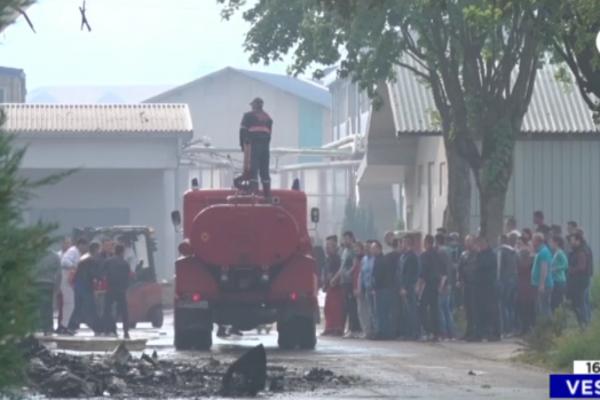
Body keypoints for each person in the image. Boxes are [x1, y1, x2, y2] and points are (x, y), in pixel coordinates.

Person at [235, 97, 273, 200]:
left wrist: (242, 145)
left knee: (253, 169)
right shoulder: (268, 118)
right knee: (264, 171)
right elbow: (270, 135)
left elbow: (242, 131)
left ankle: (253, 191)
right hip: (265, 146)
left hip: (254, 144)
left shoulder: (248, 116)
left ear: (254, 105)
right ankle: (267, 194)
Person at [68, 242, 101, 333]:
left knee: (78, 307)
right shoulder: (91, 259)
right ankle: (97, 328)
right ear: (96, 249)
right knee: (91, 307)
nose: (99, 251)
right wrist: (100, 278)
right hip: (85, 286)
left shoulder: (83, 257)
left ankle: (71, 326)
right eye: (99, 249)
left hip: (78, 285)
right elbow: (93, 273)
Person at [417, 234, 445, 341]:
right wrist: (442, 284)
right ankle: (436, 332)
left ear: (427, 243)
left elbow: (423, 272)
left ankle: (428, 329)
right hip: (436, 283)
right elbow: (443, 270)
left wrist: (419, 286)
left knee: (422, 307)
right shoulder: (438, 254)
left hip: (428, 283)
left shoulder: (424, 256)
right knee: (435, 308)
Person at [58, 238, 88, 335]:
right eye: (85, 246)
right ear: (81, 245)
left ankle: (63, 326)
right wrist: (74, 267)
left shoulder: (76, 252)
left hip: (69, 281)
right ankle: (63, 326)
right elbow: (64, 261)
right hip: (66, 280)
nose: (85, 248)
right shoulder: (73, 251)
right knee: (70, 304)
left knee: (69, 304)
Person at [101, 244, 132, 339]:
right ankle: (126, 332)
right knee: (124, 312)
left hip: (110, 289)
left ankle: (107, 330)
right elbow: (128, 278)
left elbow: (102, 273)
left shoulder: (108, 261)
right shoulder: (125, 263)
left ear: (115, 251)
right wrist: (126, 288)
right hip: (121, 290)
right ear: (122, 252)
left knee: (107, 310)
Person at [475, 236, 501, 341]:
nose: (480, 247)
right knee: (481, 310)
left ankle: (494, 332)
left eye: (482, 244)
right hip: (480, 286)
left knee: (492, 310)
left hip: (490, 286)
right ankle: (482, 332)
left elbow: (483, 266)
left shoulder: (491, 255)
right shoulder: (480, 255)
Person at [33, 249, 61, 335]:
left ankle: (37, 327)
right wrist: (57, 286)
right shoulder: (55, 256)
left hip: (36, 283)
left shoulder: (35, 254)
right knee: (48, 307)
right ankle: (48, 328)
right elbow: (59, 273)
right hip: (49, 284)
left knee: (36, 307)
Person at [398, 235, 420, 340]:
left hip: (409, 287)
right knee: (406, 311)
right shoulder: (404, 256)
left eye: (403, 243)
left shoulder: (411, 256)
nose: (401, 245)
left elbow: (409, 274)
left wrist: (404, 287)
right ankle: (407, 332)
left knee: (411, 310)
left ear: (407, 243)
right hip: (404, 286)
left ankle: (413, 333)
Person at [372, 240, 395, 339]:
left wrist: (375, 287)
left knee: (382, 312)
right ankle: (383, 331)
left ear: (379, 249)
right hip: (383, 288)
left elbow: (379, 276)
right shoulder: (379, 259)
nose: (372, 251)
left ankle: (383, 332)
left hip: (382, 288)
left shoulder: (381, 260)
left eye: (374, 248)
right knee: (382, 312)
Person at [322, 236, 345, 336]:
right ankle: (329, 327)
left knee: (336, 308)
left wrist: (334, 279)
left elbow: (341, 270)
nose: (327, 248)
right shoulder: (328, 259)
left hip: (337, 286)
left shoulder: (338, 258)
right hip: (329, 286)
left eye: (329, 246)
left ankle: (337, 328)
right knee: (328, 308)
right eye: (326, 246)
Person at [457, 235, 478, 341]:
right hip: (466, 285)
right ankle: (468, 331)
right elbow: (460, 268)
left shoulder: (477, 254)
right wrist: (459, 280)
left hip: (474, 285)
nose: (467, 243)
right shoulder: (463, 255)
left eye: (469, 241)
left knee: (474, 308)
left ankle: (474, 332)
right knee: (467, 309)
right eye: (466, 241)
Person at [338, 231, 359, 337]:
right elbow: (341, 267)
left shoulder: (353, 250)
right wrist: (336, 277)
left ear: (351, 239)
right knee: (346, 306)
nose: (345, 241)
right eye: (344, 238)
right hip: (343, 282)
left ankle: (353, 328)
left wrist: (349, 273)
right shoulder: (344, 251)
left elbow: (355, 264)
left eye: (347, 238)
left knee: (352, 306)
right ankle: (348, 328)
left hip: (350, 282)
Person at [498, 233, 518, 336]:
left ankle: (505, 328)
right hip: (513, 280)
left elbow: (499, 267)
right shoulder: (514, 252)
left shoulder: (502, 251)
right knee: (510, 306)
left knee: (503, 305)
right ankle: (512, 328)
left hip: (504, 280)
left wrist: (498, 279)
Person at [435, 233, 455, 340]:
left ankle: (444, 332)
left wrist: (441, 285)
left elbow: (443, 271)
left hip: (443, 283)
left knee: (441, 309)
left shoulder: (440, 252)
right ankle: (451, 333)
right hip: (449, 283)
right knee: (447, 309)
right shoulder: (449, 251)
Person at [568, 231, 589, 327]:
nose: (571, 242)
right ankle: (580, 324)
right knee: (576, 303)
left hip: (580, 282)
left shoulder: (581, 251)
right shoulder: (575, 251)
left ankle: (583, 324)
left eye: (572, 240)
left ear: (578, 241)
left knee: (580, 303)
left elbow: (582, 267)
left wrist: (571, 270)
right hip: (576, 282)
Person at [515, 237, 536, 335]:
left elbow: (524, 267)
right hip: (522, 286)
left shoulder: (531, 259)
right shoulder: (521, 259)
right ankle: (524, 328)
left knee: (528, 308)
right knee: (522, 308)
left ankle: (528, 329)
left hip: (528, 286)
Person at [531, 232, 553, 320]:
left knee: (543, 308)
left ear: (537, 241)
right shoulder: (540, 251)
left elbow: (544, 269)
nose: (532, 242)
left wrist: (542, 284)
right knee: (540, 307)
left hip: (544, 285)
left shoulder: (544, 252)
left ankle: (547, 328)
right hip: (538, 284)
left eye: (533, 240)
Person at [384, 238, 403, 338]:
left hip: (389, 285)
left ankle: (391, 331)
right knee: (398, 309)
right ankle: (397, 331)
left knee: (391, 309)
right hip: (397, 286)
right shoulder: (400, 257)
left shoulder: (387, 257)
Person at [357, 240, 376, 339]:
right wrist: (359, 287)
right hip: (364, 288)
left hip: (372, 288)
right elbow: (361, 274)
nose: (367, 249)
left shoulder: (375, 259)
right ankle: (366, 330)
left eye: (369, 247)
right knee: (363, 310)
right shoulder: (364, 259)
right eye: (365, 248)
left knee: (372, 310)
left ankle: (373, 331)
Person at [349, 241, 365, 338]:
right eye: (355, 248)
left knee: (362, 309)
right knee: (357, 310)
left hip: (360, 286)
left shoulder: (363, 259)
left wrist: (359, 288)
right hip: (354, 285)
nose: (356, 250)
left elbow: (361, 274)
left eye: (357, 248)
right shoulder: (355, 259)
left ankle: (363, 329)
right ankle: (357, 329)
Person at [549, 235, 568, 312]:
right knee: (554, 301)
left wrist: (555, 269)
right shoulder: (555, 253)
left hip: (559, 280)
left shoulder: (560, 253)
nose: (551, 244)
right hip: (555, 280)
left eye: (552, 242)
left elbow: (565, 265)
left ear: (556, 243)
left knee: (557, 301)